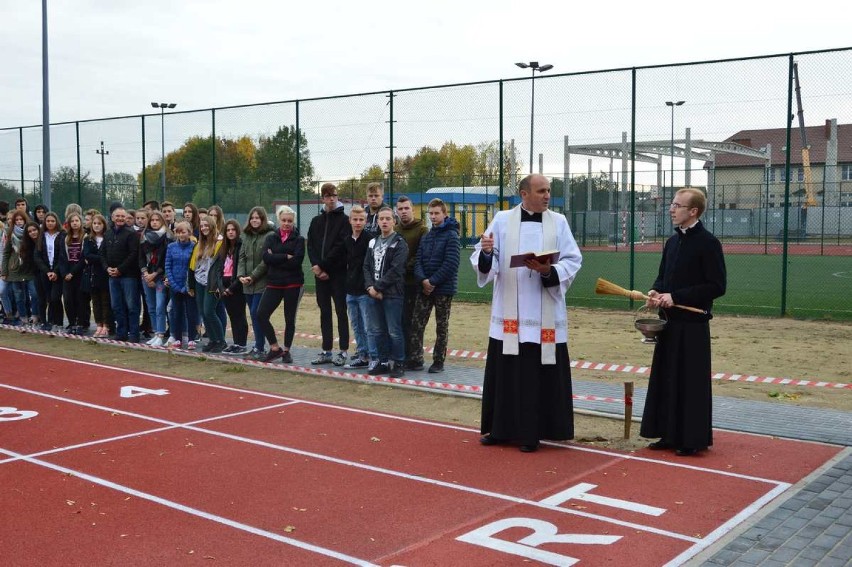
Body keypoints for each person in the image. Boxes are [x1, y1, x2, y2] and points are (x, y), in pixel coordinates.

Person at [471, 174, 583, 453]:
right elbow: (486, 258)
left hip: (543, 308)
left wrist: (548, 270)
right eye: (541, 190)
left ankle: (532, 433)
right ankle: (500, 429)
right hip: (509, 311)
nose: (547, 195)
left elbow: (573, 259)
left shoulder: (559, 222)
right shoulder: (502, 220)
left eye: (549, 191)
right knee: (507, 372)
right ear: (524, 194)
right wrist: (486, 254)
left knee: (535, 374)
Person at [641, 188, 727, 457]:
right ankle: (667, 433)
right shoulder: (671, 242)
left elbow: (717, 285)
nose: (671, 208)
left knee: (690, 383)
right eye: (672, 204)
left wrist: (676, 296)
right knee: (667, 378)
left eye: (678, 205)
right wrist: (656, 292)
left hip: (692, 325)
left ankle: (691, 438)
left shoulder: (708, 243)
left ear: (693, 211)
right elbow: (662, 277)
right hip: (669, 322)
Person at [409, 198, 460, 373]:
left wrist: (432, 281)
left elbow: (451, 263)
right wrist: (423, 280)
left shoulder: (452, 236)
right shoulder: (427, 236)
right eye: (430, 213)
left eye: (436, 213)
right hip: (424, 289)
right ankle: (415, 359)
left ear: (445, 214)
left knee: (441, 326)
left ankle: (438, 361)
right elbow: (418, 261)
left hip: (443, 290)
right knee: (417, 324)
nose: (433, 216)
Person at [306, 183, 350, 366]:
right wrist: (317, 267)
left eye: (334, 195)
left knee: (341, 312)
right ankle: (326, 350)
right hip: (320, 276)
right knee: (325, 312)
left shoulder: (345, 220)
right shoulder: (316, 221)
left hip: (338, 275)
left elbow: (341, 247)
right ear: (323, 198)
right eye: (327, 196)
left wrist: (324, 266)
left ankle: (343, 351)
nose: (331, 199)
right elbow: (311, 246)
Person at [363, 206, 408, 378]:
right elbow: (366, 266)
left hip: (392, 294)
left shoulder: (399, 243)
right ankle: (383, 362)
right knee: (377, 330)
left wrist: (378, 287)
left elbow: (396, 270)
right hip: (373, 294)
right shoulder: (372, 242)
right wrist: (370, 288)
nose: (384, 221)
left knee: (394, 330)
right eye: (381, 218)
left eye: (388, 218)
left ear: (394, 221)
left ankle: (398, 362)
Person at [256, 206, 305, 363]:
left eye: (290, 221)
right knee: (261, 314)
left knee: (289, 318)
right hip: (274, 283)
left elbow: (297, 262)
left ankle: (286, 351)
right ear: (279, 220)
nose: (286, 223)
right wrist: (286, 256)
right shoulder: (271, 238)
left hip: (293, 283)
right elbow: (266, 258)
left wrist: (276, 257)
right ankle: (274, 347)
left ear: (293, 221)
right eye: (284, 220)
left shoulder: (299, 239)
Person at [393, 195, 428, 369]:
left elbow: (421, 256)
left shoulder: (422, 230)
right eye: (400, 209)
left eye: (406, 208)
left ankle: (416, 358)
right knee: (400, 321)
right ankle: (404, 355)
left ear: (412, 209)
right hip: (397, 285)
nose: (404, 211)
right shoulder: (395, 230)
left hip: (414, 283)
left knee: (415, 322)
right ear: (396, 211)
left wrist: (402, 267)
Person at [101, 207, 141, 342]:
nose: (120, 218)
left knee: (131, 306)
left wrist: (120, 269)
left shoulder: (131, 234)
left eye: (122, 216)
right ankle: (121, 332)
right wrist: (107, 268)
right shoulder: (107, 234)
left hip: (128, 276)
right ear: (112, 217)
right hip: (112, 277)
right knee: (116, 306)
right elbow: (102, 254)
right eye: (117, 216)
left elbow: (133, 254)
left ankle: (134, 334)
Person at [238, 206, 272, 359]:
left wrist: (253, 276)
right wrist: (241, 276)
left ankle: (260, 347)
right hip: (247, 284)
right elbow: (242, 257)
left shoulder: (270, 235)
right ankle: (258, 346)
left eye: (257, 217)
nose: (255, 220)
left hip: (261, 283)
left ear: (263, 219)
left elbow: (266, 261)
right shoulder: (245, 235)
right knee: (252, 314)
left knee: (256, 313)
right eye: (252, 218)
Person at [343, 205, 373, 369]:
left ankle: (372, 356)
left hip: (365, 291)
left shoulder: (370, 240)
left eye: (361, 220)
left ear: (365, 221)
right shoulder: (347, 240)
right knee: (356, 325)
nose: (358, 222)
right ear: (350, 220)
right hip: (350, 290)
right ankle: (362, 355)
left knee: (368, 325)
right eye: (355, 219)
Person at [189, 217, 225, 353]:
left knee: (210, 311)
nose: (204, 228)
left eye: (206, 225)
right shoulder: (199, 244)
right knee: (203, 312)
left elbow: (220, 264)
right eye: (202, 226)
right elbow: (192, 266)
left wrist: (219, 283)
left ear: (212, 226)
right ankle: (212, 340)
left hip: (212, 282)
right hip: (199, 281)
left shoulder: (220, 243)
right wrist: (191, 285)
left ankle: (221, 340)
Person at [164, 221, 199, 350]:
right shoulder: (171, 247)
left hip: (189, 286)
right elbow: (168, 266)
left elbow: (195, 267)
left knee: (191, 313)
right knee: (176, 313)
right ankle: (177, 338)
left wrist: (188, 286)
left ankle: (192, 338)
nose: (180, 234)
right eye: (178, 232)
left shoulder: (195, 247)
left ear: (189, 233)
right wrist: (174, 285)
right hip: (175, 286)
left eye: (183, 232)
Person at [217, 219, 249, 355]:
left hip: (237, 287)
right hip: (224, 286)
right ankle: (236, 343)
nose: (230, 232)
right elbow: (219, 270)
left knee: (239, 315)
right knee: (232, 316)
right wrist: (221, 287)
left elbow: (241, 270)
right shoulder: (224, 248)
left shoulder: (241, 246)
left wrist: (231, 288)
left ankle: (241, 344)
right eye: (228, 230)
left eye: (233, 230)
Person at [139, 211, 170, 347]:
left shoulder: (167, 237)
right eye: (152, 220)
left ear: (162, 221)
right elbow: (140, 257)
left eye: (158, 220)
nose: (155, 222)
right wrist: (145, 273)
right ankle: (156, 333)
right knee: (150, 306)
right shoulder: (143, 237)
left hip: (159, 276)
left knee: (159, 306)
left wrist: (155, 274)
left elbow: (166, 260)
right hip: (146, 276)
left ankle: (161, 334)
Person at [34, 211, 66, 331]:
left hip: (58, 272)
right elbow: (37, 256)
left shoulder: (62, 235)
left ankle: (59, 322)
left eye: (52, 221)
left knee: (55, 298)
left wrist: (55, 272)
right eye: (48, 221)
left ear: (56, 221)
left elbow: (63, 255)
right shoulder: (41, 236)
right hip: (45, 273)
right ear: (45, 222)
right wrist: (47, 271)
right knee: (48, 298)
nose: (50, 223)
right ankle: (51, 322)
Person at [60, 212, 89, 334]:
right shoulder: (65, 238)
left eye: (77, 220)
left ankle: (81, 323)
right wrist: (65, 273)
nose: (75, 223)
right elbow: (61, 257)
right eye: (72, 221)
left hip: (80, 271)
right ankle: (71, 323)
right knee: (68, 299)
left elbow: (84, 258)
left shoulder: (86, 237)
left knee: (81, 299)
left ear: (81, 222)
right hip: (67, 273)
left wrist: (73, 272)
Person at [84, 214, 112, 338]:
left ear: (104, 225)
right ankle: (99, 325)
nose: (96, 226)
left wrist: (102, 260)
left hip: (106, 273)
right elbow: (87, 255)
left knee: (106, 300)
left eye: (99, 223)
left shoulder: (108, 238)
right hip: (93, 274)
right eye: (94, 223)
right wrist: (101, 259)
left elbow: (109, 255)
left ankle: (106, 325)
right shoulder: (88, 239)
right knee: (96, 302)